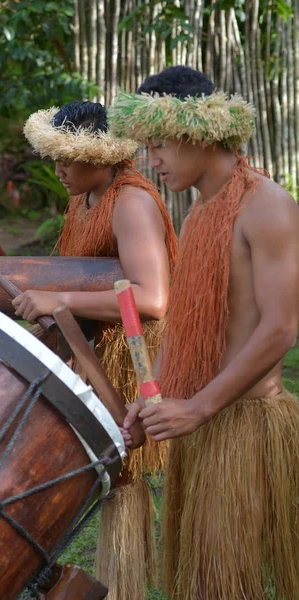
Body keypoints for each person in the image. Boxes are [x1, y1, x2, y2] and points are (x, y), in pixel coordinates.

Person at [112, 65, 299, 600]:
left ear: (198, 131)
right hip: (202, 419)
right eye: (148, 146)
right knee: (199, 581)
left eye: (160, 144)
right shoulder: (199, 213)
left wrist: (200, 407)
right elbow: (192, 318)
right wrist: (157, 397)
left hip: (243, 422)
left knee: (222, 585)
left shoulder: (268, 206)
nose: (153, 160)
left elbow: (282, 327)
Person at [13, 101, 178, 600]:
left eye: (69, 157)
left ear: (103, 156)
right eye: (55, 156)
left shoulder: (131, 202)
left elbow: (152, 298)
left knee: (123, 475)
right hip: (95, 349)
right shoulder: (84, 197)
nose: (58, 169)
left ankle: (125, 585)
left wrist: (58, 297)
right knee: (105, 474)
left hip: (135, 359)